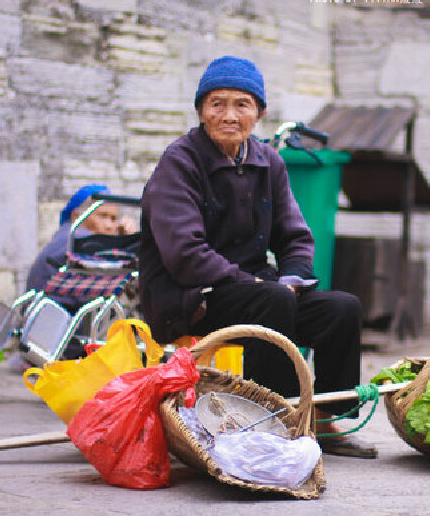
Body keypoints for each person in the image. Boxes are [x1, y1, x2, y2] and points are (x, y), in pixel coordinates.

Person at [139, 55, 376, 458]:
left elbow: (295, 236)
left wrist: (295, 276)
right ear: (201, 111)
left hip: (256, 292)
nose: (229, 115)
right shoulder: (179, 163)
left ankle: (324, 419)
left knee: (341, 308)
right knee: (274, 298)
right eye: (217, 104)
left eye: (241, 105)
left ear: (259, 113)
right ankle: (276, 417)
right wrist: (259, 284)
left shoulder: (269, 162)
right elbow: (184, 255)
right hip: (190, 297)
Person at [26, 184, 136, 297]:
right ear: (76, 216)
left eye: (113, 219)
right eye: (102, 216)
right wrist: (131, 242)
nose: (109, 226)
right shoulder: (76, 239)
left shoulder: (70, 238)